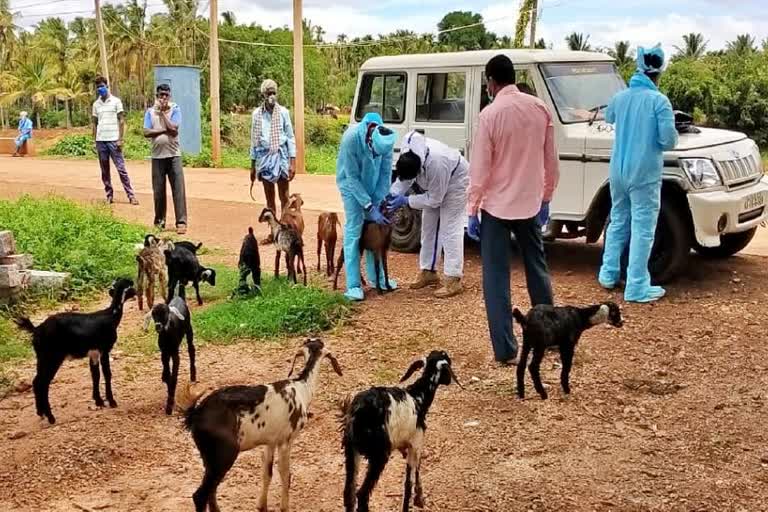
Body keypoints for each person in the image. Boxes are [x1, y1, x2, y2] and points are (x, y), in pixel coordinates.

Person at [468, 54, 560, 365]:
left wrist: (472, 208)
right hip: (530, 204)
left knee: (496, 277)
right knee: (537, 269)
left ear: (491, 82)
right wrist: (546, 198)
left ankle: (506, 349)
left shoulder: (490, 115)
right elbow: (551, 160)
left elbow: (480, 168)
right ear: (514, 77)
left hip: (496, 208)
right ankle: (551, 337)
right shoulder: (539, 109)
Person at [598, 45, 678, 303]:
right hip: (644, 173)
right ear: (659, 71)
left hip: (618, 171)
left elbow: (608, 117)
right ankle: (637, 286)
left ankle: (608, 274)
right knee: (643, 228)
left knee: (618, 221)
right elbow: (668, 141)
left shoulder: (621, 97)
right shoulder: (659, 101)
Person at [386, 130, 469, 298]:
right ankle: (429, 271)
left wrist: (406, 201)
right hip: (434, 186)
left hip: (456, 182)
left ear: (419, 168)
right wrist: (392, 196)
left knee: (449, 229)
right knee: (428, 227)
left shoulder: (437, 162)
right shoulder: (408, 155)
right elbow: (404, 179)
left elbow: (435, 200)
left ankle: (453, 279)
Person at [336, 112, 397, 301]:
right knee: (354, 230)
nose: (376, 155)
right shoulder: (351, 139)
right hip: (350, 186)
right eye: (374, 151)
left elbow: (385, 174)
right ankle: (353, 285)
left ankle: (377, 279)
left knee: (374, 231)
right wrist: (367, 206)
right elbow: (352, 177)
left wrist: (377, 202)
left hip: (372, 186)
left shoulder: (386, 140)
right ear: (370, 137)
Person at [249, 79, 296, 243]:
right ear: (263, 95)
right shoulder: (256, 115)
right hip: (264, 159)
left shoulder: (283, 112)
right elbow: (254, 141)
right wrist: (253, 166)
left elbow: (290, 137)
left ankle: (284, 229)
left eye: (274, 92)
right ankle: (273, 232)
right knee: (270, 198)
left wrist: (293, 161)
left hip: (281, 157)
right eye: (269, 93)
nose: (272, 96)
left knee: (284, 196)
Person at [143, 83, 188, 234]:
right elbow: (146, 132)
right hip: (157, 157)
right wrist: (163, 129)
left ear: (169, 96)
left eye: (166, 95)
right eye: (160, 95)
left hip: (174, 155)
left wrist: (162, 114)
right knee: (158, 191)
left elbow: (174, 130)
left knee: (178, 189)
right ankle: (159, 222)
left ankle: (181, 222)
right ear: (156, 96)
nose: (163, 98)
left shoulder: (175, 109)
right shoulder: (150, 112)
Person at [92, 76, 138, 205]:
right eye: (98, 87)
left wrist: (120, 139)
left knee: (121, 169)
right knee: (105, 171)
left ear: (107, 86)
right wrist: (93, 141)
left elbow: (121, 120)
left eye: (102, 86)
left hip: (113, 140)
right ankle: (109, 195)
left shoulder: (116, 101)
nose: (100, 89)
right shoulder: (96, 104)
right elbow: (94, 123)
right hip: (101, 141)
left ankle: (131, 195)